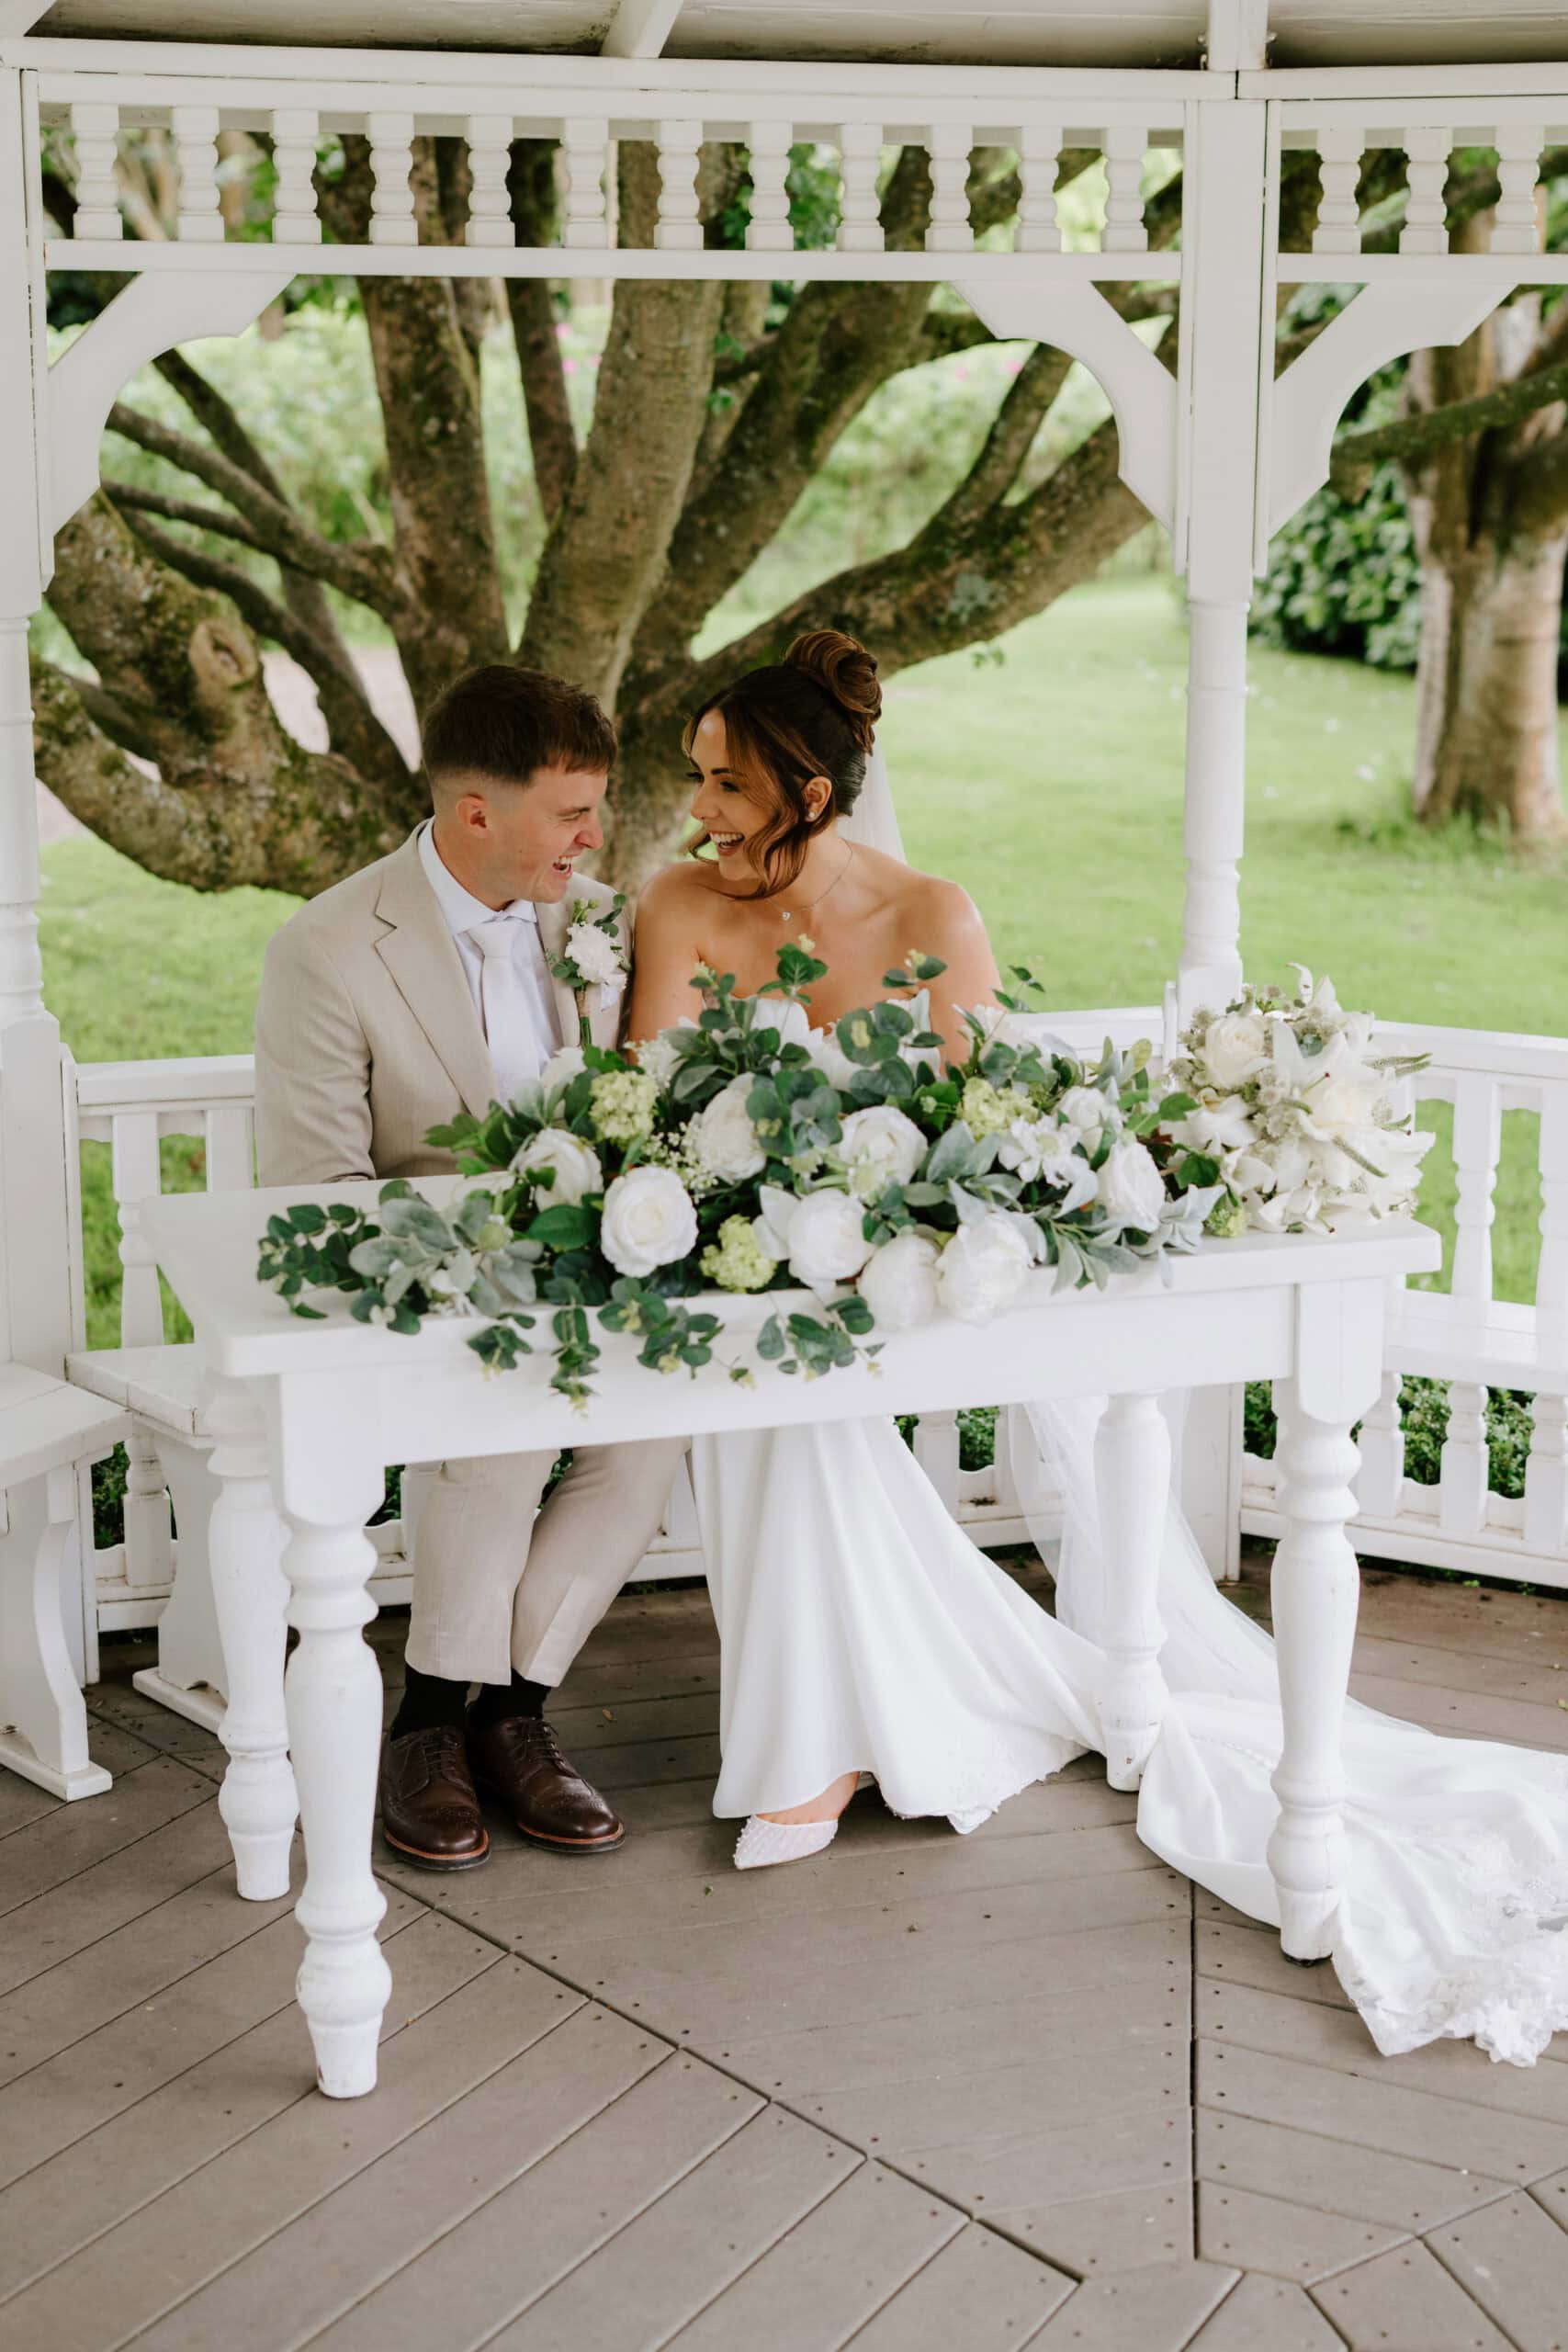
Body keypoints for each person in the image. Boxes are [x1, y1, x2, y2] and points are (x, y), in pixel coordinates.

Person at [628, 629, 1568, 2067]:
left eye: (724, 785)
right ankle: (825, 1743)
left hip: (901, 1275)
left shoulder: (932, 909)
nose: (698, 810)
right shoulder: (683, 906)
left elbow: (988, 1115)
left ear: (809, 792)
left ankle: (820, 1748)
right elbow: (653, 1106)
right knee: (771, 1398)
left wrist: (889, 1207)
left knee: (797, 1398)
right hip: (744, 1277)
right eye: (697, 781)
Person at [255, 664, 687, 1872]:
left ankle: (503, 1712)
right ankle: (433, 1726)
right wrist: (486, 1263)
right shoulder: (329, 949)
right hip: (420, 1299)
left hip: (589, 1288)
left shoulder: (599, 922)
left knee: (648, 1438)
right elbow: (317, 1192)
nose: (592, 835)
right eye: (570, 812)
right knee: (502, 1431)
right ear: (476, 810)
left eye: (594, 808)